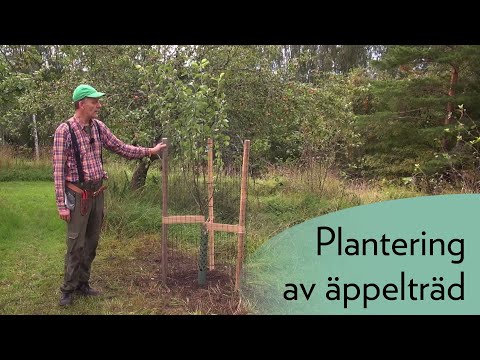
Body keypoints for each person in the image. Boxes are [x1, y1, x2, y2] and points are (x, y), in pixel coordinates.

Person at [53, 84, 166, 307]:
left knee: (92, 242)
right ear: (81, 104)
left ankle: (83, 284)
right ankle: (68, 288)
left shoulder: (98, 127)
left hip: (96, 194)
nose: (99, 105)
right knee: (75, 245)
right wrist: (61, 204)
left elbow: (121, 147)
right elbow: (58, 171)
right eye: (94, 101)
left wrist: (149, 151)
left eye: (98, 101)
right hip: (77, 196)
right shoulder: (64, 131)